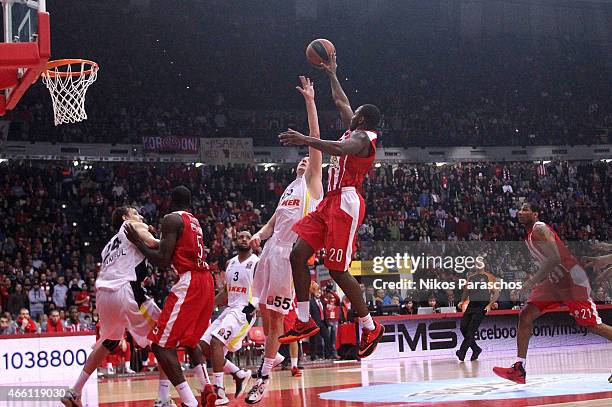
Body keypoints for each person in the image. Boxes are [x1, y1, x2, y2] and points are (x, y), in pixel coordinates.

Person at [278, 51, 385, 360]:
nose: (348, 112)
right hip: (330, 201)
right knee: (298, 255)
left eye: (355, 113)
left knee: (338, 271)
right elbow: (340, 102)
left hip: (347, 203)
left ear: (361, 119)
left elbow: (340, 147)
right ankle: (302, 319)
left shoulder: (363, 137)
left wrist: (305, 139)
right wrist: (332, 73)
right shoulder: (355, 126)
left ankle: (369, 326)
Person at [245, 76, 323, 404]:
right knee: (263, 307)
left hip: (290, 254)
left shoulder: (313, 185)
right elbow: (272, 222)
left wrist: (309, 101)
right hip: (271, 250)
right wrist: (258, 236)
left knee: (275, 317)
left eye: (308, 160)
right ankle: (273, 356)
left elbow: (315, 139)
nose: (304, 162)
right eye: (301, 161)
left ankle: (264, 376)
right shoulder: (289, 191)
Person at [493, 202, 612, 384]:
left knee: (592, 325)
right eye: (520, 209)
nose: (521, 212)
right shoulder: (530, 236)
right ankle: (519, 368)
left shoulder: (539, 229)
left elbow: (555, 257)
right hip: (555, 281)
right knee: (525, 315)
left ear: (536, 214)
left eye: (526, 209)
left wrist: (531, 282)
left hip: (571, 280)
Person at [124, 186, 216, 407]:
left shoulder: (171, 219)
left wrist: (138, 243)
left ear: (171, 201)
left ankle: (189, 401)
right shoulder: (194, 221)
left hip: (190, 281)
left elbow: (163, 260)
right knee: (191, 341)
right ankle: (207, 388)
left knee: (161, 346)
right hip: (206, 281)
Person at [61, 207, 162, 407]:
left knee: (108, 343)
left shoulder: (107, 246)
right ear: (125, 217)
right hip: (125, 290)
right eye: (135, 212)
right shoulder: (130, 225)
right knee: (165, 335)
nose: (139, 216)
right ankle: (164, 398)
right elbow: (155, 244)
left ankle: (74, 391)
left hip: (103, 296)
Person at [200, 231, 258, 405]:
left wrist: (254, 305)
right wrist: (207, 306)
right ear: (235, 241)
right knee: (202, 346)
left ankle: (220, 392)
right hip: (230, 308)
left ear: (251, 242)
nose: (244, 239)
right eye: (241, 237)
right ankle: (239, 374)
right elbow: (226, 291)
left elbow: (264, 287)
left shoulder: (257, 262)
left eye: (248, 237)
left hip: (244, 311)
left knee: (216, 341)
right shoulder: (230, 263)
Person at [456, 265, 499, 361]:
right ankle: (476, 349)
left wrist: (489, 305)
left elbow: (496, 293)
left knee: (471, 329)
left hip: (482, 305)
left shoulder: (489, 277)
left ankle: (462, 351)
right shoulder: (471, 277)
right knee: (463, 327)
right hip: (472, 304)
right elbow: (466, 291)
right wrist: (462, 301)